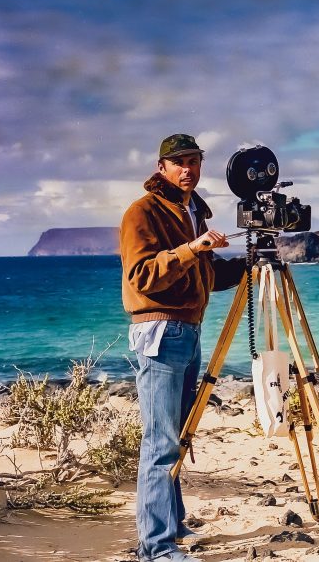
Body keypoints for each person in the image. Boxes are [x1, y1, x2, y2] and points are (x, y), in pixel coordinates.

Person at [120, 134, 245, 562]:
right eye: (179, 163)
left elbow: (203, 276)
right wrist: (194, 247)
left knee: (177, 436)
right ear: (161, 168)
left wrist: (250, 265)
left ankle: (172, 524)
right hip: (160, 330)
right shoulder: (143, 212)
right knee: (160, 442)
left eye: (194, 161)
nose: (188, 169)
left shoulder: (192, 211)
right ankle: (155, 547)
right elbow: (143, 277)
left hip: (188, 330)